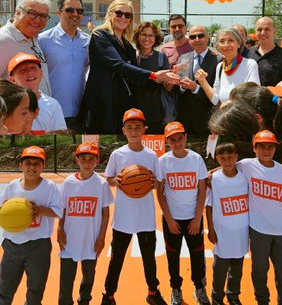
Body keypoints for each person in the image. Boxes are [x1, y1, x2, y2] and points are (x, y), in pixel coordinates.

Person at [78, 0, 179, 134]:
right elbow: (118, 65)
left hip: (121, 104)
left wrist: (165, 79)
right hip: (103, 103)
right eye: (119, 13)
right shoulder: (100, 35)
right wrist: (154, 75)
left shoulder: (126, 45)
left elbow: (136, 77)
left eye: (128, 15)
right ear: (110, 14)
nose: (123, 18)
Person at [101, 108, 167, 305]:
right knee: (116, 259)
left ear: (144, 129)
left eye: (138, 127)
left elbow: (159, 183)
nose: (134, 131)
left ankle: (153, 293)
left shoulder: (151, 155)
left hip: (145, 217)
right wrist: (118, 180)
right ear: (123, 130)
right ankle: (109, 295)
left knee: (149, 259)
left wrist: (152, 182)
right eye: (129, 127)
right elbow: (108, 179)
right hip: (123, 218)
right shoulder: (117, 154)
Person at [0, 146, 63, 304]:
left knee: (35, 289)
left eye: (37, 163)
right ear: (20, 166)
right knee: (4, 288)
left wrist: (40, 210)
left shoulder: (49, 188)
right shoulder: (13, 186)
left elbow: (59, 212)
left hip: (38, 245)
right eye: (28, 163)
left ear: (43, 166)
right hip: (12, 244)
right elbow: (2, 208)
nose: (32, 167)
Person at [157, 121, 210, 305]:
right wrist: (169, 220)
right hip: (172, 220)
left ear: (186, 137)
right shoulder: (163, 161)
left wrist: (197, 218)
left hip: (193, 218)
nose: (177, 142)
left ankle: (199, 288)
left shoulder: (196, 159)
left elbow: (202, 190)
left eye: (180, 138)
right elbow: (160, 192)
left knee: (197, 256)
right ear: (167, 141)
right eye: (172, 140)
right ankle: (175, 289)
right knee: (173, 256)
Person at [57, 142, 113, 305]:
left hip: (91, 239)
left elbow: (105, 212)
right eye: (83, 159)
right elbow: (63, 209)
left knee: (88, 276)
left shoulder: (101, 184)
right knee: (66, 279)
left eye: (91, 159)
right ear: (77, 160)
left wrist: (101, 237)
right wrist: (60, 229)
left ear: (97, 161)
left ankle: (84, 300)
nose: (87, 162)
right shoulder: (68, 182)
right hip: (69, 239)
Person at [236, 130, 282, 305]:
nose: (266, 150)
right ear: (254, 148)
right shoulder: (247, 165)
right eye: (262, 146)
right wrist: (207, 176)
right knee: (259, 270)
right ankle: (262, 301)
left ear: (275, 149)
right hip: (259, 230)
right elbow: (225, 167)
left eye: (270, 147)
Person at [39, 0, 90, 132]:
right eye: (69, 10)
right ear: (59, 12)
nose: (75, 14)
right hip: (52, 115)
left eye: (79, 10)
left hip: (81, 115)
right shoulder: (43, 40)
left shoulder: (88, 41)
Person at [206, 142, 249, 305]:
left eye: (230, 157)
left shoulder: (245, 176)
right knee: (220, 269)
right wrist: (210, 229)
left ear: (236, 157)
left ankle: (233, 296)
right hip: (222, 231)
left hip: (241, 231)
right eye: (223, 158)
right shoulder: (214, 179)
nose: (227, 161)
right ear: (217, 159)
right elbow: (209, 206)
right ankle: (217, 297)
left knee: (237, 269)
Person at [0, 0, 52, 95]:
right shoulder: (3, 40)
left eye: (43, 16)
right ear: (18, 12)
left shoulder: (33, 38)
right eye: (32, 13)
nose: (37, 20)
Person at [195, 27, 260, 106]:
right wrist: (202, 81)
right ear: (218, 46)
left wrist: (227, 106)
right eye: (222, 41)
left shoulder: (249, 64)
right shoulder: (220, 67)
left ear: (238, 44)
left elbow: (252, 97)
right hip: (226, 116)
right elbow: (216, 100)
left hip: (242, 117)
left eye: (231, 40)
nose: (226, 45)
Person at [176, 25, 220, 135]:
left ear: (208, 37)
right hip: (184, 119)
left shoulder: (218, 59)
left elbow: (218, 92)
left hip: (207, 119)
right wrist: (181, 86)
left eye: (201, 36)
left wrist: (196, 88)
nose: (197, 40)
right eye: (192, 37)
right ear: (188, 39)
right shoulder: (183, 57)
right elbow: (176, 89)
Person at [8, 52, 67, 133]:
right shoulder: (5, 104)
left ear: (41, 73)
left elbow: (61, 134)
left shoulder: (53, 105)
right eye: (23, 70)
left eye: (34, 68)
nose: (30, 72)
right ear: (12, 79)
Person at [133, 21, 172, 133]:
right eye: (143, 35)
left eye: (151, 35)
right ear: (138, 36)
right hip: (134, 113)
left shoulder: (161, 57)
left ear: (156, 38)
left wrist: (172, 79)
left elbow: (167, 87)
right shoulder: (132, 56)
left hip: (156, 114)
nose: (147, 38)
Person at [249, 17, 282, 86]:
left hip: (274, 96)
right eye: (259, 29)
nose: (263, 33)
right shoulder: (249, 53)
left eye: (267, 29)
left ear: (274, 32)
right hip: (251, 96)